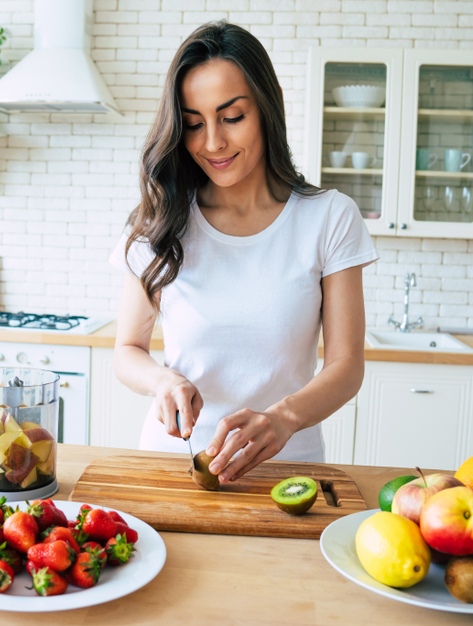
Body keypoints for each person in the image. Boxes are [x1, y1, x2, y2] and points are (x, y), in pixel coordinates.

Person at [109, 21, 377, 484]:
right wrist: (162, 380)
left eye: (231, 117)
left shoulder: (329, 218)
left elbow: (346, 365)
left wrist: (284, 419)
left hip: (288, 472)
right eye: (194, 124)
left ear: (266, 110)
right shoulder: (161, 220)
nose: (212, 142)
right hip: (174, 463)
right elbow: (128, 350)